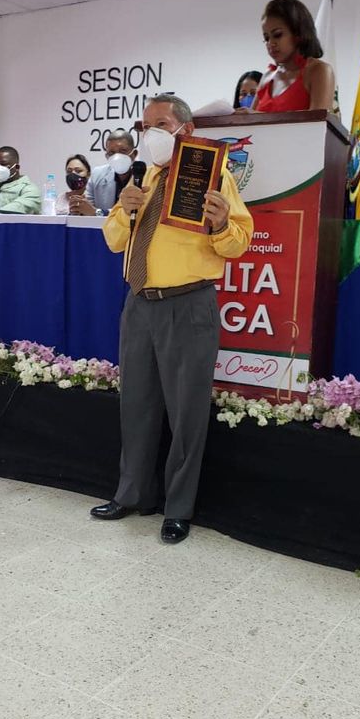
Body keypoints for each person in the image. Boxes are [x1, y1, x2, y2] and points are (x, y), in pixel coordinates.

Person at [90, 94, 253, 543]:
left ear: (186, 129)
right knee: (136, 404)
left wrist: (220, 224)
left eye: (160, 124)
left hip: (188, 303)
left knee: (186, 413)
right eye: (145, 126)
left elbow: (239, 241)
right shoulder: (143, 175)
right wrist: (124, 209)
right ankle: (132, 494)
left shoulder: (214, 175)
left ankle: (178, 508)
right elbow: (113, 241)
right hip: (139, 303)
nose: (150, 134)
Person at [252, 0, 335, 113]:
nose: (270, 43)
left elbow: (318, 122)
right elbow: (251, 121)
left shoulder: (319, 71)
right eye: (266, 38)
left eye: (277, 35)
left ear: (298, 33)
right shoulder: (267, 76)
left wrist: (259, 116)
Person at [70, 130, 137, 216]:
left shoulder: (146, 176)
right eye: (112, 153)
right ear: (107, 156)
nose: (117, 156)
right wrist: (78, 208)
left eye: (123, 151)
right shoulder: (97, 175)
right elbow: (87, 209)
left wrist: (97, 212)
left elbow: (136, 213)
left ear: (134, 154)